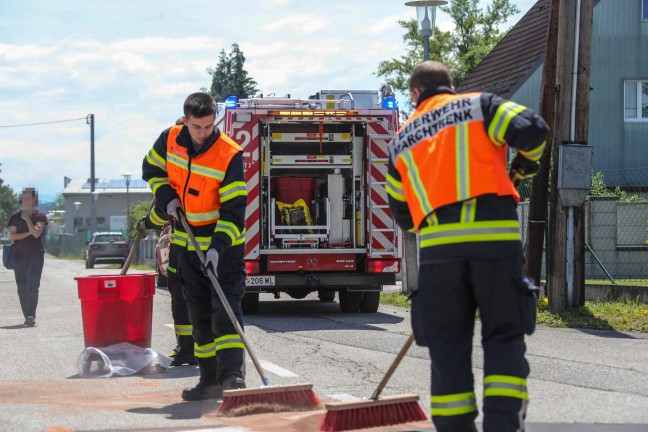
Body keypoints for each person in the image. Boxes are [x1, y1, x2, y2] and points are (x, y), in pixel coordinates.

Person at [386, 61, 548, 432]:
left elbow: (404, 215)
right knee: (504, 336)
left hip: (440, 258)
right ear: (450, 86)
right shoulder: (480, 106)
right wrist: (523, 166)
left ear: (415, 94)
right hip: (495, 247)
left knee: (447, 347)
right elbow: (535, 131)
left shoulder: (401, 142)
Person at [142, 92, 248, 401]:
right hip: (188, 246)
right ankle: (208, 381)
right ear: (185, 121)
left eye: (208, 126)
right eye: (197, 127)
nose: (204, 133)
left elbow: (233, 212)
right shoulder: (170, 139)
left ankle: (232, 377)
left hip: (223, 250)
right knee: (199, 316)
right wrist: (167, 198)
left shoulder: (229, 154)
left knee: (225, 313)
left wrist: (217, 247)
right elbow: (151, 170)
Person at [7, 187, 48, 327]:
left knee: (33, 285)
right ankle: (27, 315)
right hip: (18, 256)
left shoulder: (40, 216)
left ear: (34, 200)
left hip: (36, 255)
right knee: (21, 287)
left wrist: (27, 220)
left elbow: (36, 234)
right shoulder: (14, 216)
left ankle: (31, 315)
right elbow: (12, 236)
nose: (24, 201)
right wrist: (28, 233)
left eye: (27, 198)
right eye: (23, 198)